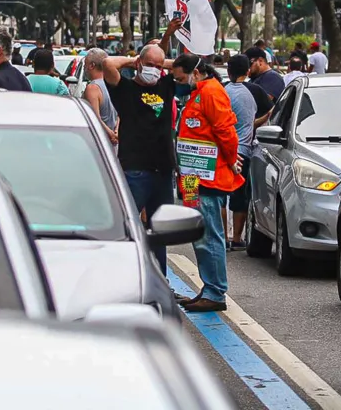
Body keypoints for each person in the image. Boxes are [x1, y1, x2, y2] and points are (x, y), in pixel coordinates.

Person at [102, 18, 183, 274]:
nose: (155, 70)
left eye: (159, 67)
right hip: (134, 169)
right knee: (126, 226)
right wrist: (135, 61)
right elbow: (107, 63)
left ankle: (160, 276)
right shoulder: (124, 89)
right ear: (138, 64)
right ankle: (120, 274)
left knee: (159, 229)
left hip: (162, 171)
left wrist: (161, 59)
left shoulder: (166, 86)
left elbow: (184, 68)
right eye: (150, 65)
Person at [172, 54, 240, 313]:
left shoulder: (211, 92)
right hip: (192, 177)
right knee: (198, 233)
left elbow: (227, 132)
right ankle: (208, 286)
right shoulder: (198, 92)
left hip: (206, 178)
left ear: (196, 72)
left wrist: (232, 160)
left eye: (181, 77)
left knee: (208, 233)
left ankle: (214, 291)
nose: (179, 82)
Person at [220, 55, 259, 250]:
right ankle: (236, 238)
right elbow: (252, 122)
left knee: (220, 196)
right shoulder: (251, 94)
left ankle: (223, 238)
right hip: (243, 152)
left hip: (222, 150)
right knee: (239, 197)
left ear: (228, 71)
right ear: (248, 71)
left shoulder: (223, 92)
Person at [83, 48, 118, 145]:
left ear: (92, 65)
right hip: (114, 142)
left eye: (85, 64)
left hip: (100, 142)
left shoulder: (93, 88)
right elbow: (121, 113)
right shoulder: (114, 84)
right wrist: (116, 132)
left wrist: (110, 134)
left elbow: (95, 118)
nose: (84, 67)